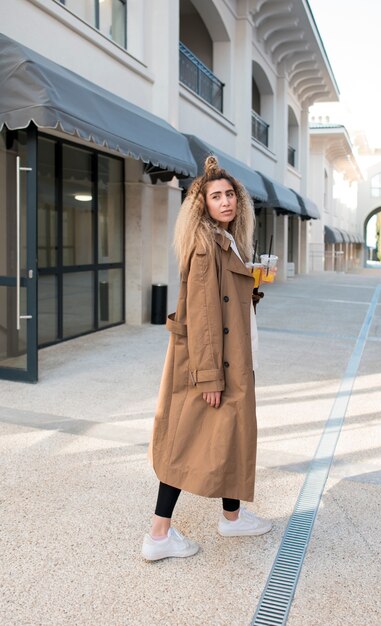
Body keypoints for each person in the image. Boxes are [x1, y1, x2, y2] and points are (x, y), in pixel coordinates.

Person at [142, 156, 272, 561]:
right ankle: (158, 534)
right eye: (216, 196)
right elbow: (201, 317)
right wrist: (209, 377)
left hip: (232, 357)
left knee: (231, 434)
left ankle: (232, 517)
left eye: (230, 194)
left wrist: (253, 283)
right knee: (185, 444)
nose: (226, 201)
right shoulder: (203, 247)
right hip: (213, 363)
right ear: (203, 205)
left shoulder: (226, 240)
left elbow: (226, 299)